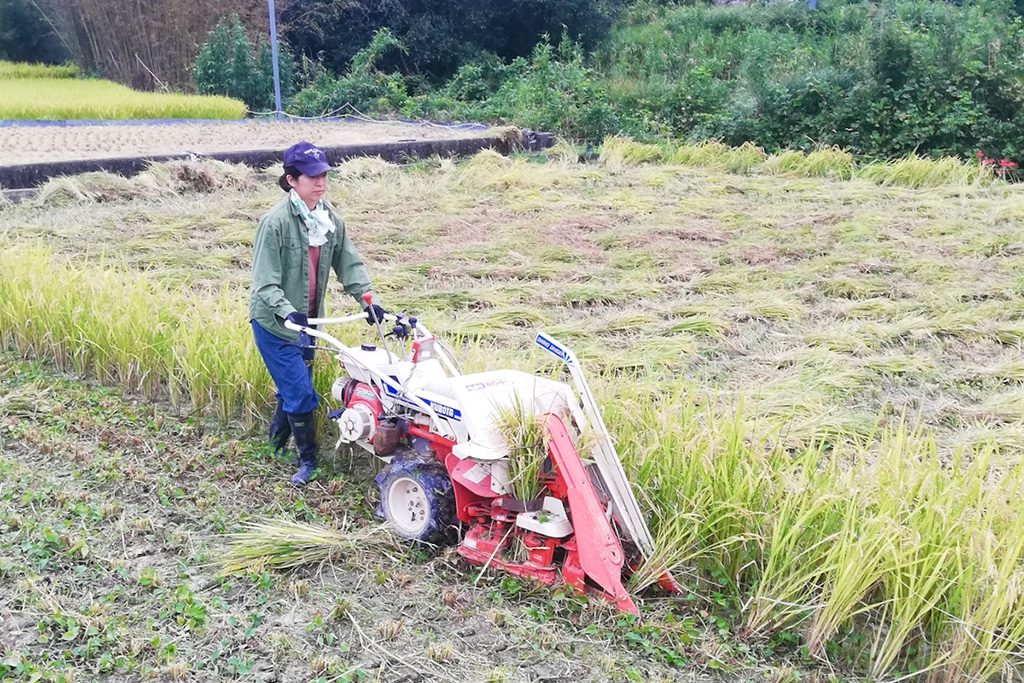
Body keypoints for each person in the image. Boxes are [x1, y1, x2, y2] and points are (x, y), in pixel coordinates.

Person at [249, 141, 386, 485]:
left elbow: (348, 263)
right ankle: (307, 461)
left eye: (324, 174)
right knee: (302, 394)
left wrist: (367, 301)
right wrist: (287, 312)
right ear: (292, 180)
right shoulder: (275, 223)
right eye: (312, 176)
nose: (320, 182)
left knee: (292, 388)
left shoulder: (329, 220)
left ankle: (274, 444)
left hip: (309, 323)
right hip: (276, 326)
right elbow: (264, 285)